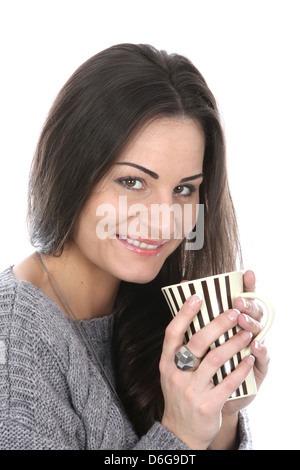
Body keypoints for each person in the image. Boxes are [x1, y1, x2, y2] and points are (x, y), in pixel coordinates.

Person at [0, 43, 269, 450]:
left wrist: (219, 410)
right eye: (132, 182)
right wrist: (180, 436)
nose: (164, 220)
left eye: (183, 189)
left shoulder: (156, 308)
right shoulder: (14, 345)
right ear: (70, 171)